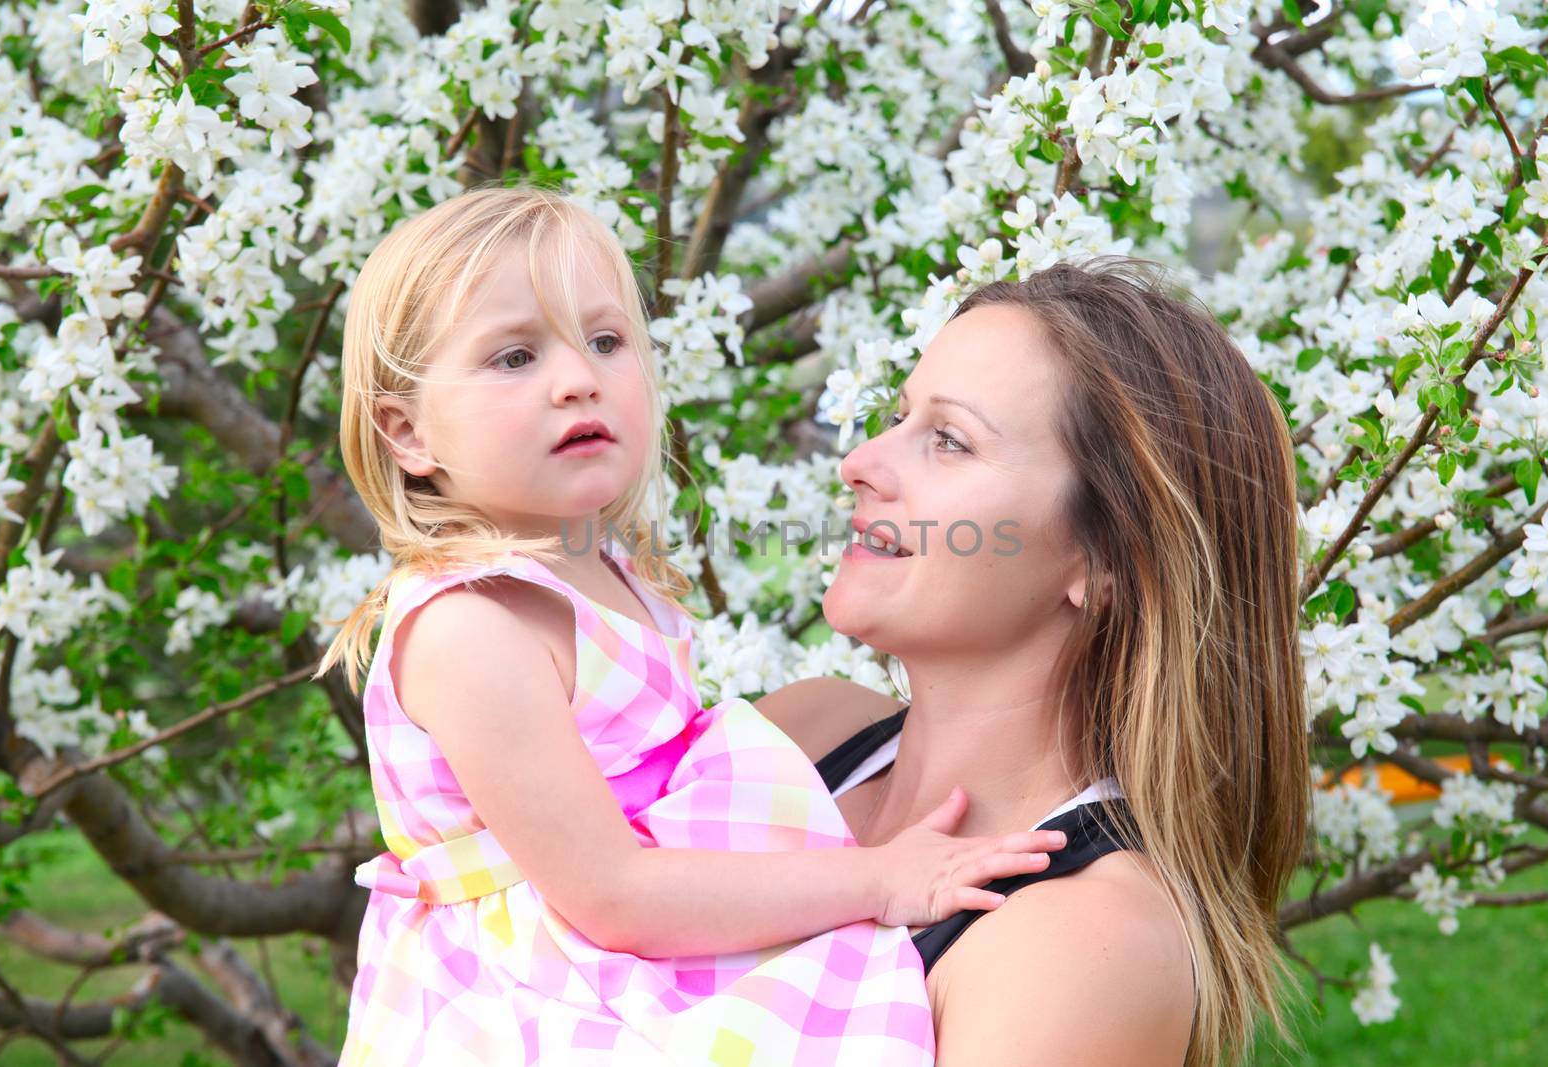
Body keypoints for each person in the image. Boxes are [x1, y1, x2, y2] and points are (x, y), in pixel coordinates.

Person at [316, 184, 1067, 1066]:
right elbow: (613, 892)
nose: (577, 378)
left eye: (605, 340)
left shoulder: (597, 565)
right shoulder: (475, 628)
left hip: (628, 946)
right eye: (514, 357)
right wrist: (880, 875)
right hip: (528, 999)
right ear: (408, 434)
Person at [759, 258, 1310, 1067]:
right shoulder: (805, 734)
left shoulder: (1084, 946)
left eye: (950, 440)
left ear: (1102, 557)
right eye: (899, 416)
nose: (862, 461)